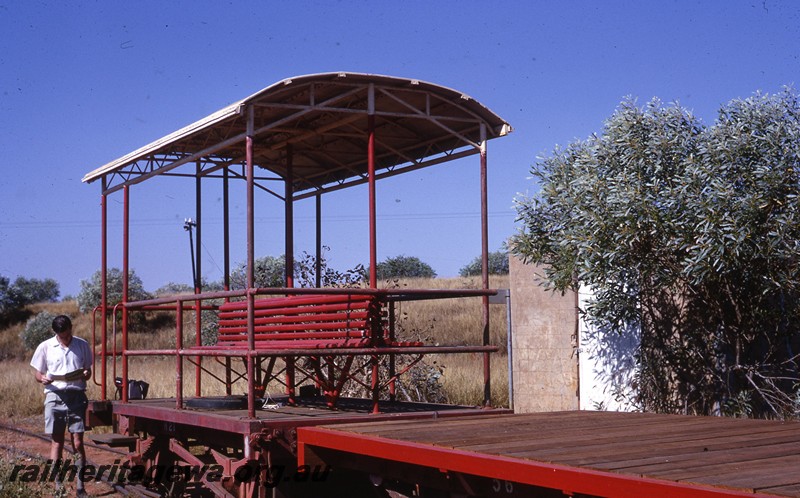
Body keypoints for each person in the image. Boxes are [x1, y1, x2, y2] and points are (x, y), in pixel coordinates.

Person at [30, 315, 92, 498]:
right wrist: (43, 378)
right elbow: (37, 373)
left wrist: (86, 373)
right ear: (55, 333)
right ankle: (58, 486)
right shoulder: (45, 346)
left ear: (71, 328)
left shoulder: (82, 345)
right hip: (54, 396)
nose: (65, 338)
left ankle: (81, 487)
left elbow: (88, 372)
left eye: (67, 334)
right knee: (57, 442)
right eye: (62, 336)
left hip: (76, 396)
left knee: (78, 442)